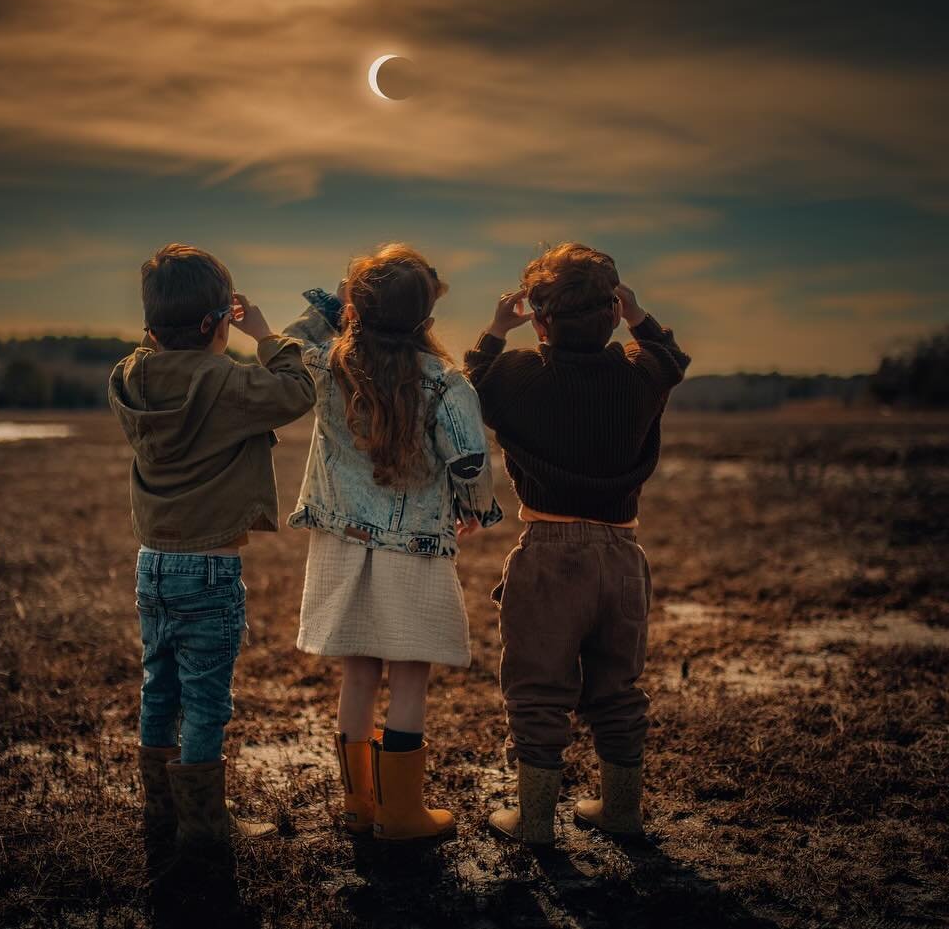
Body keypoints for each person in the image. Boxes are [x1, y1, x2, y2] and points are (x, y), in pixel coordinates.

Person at [464, 241, 690, 845]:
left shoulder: (517, 377)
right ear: (614, 312)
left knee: (537, 690)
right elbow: (670, 359)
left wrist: (495, 329)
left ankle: (535, 823)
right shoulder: (639, 377)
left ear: (539, 322)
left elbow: (472, 383)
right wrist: (640, 317)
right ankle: (619, 811)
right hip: (621, 555)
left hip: (547, 552)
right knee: (618, 688)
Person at [281, 244, 502, 841]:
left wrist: (334, 307)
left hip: (343, 546)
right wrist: (478, 510)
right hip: (417, 551)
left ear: (356, 311)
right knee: (409, 677)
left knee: (358, 675)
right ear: (427, 323)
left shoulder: (330, 366)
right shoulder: (445, 381)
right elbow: (470, 459)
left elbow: (287, 341)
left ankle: (358, 807)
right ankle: (403, 814)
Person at [107, 243, 314, 859]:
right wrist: (264, 334)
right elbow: (296, 389)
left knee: (158, 688)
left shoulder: (128, 376)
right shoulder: (224, 381)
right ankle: (202, 827)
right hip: (210, 569)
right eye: (224, 317)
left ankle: (160, 814)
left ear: (150, 326)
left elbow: (169, 350)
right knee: (204, 701)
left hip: (153, 565)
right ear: (213, 323)